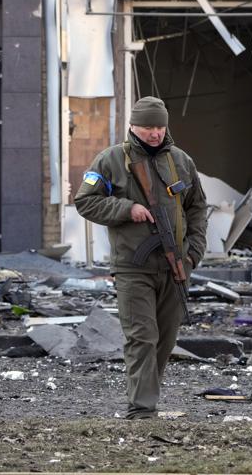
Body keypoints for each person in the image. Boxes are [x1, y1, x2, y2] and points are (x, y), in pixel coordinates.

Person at [75, 96, 207, 419]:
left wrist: (194, 252)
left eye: (160, 127)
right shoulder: (111, 160)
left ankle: (147, 395)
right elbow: (85, 201)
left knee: (165, 339)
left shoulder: (181, 161)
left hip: (176, 265)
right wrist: (126, 208)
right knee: (142, 337)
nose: (155, 133)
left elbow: (197, 207)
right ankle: (142, 409)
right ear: (133, 126)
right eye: (148, 127)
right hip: (133, 267)